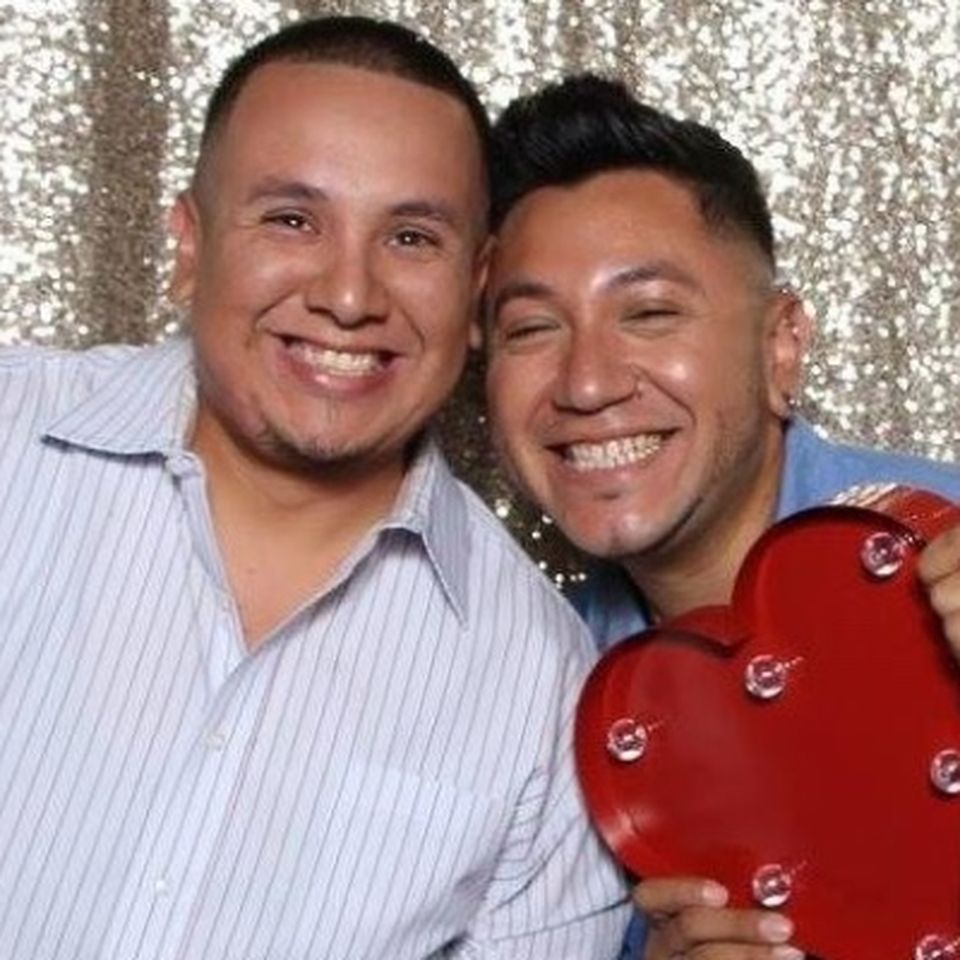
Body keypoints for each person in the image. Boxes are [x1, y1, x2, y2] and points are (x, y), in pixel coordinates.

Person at [0, 21, 631, 959]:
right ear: (189, 245)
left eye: (411, 238)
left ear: (476, 291)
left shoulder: (544, 684)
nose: (348, 296)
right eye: (292, 220)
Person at [484, 74, 960, 960]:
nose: (587, 384)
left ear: (781, 345)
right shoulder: (520, 685)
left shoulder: (943, 536)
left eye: (649, 313)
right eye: (532, 330)